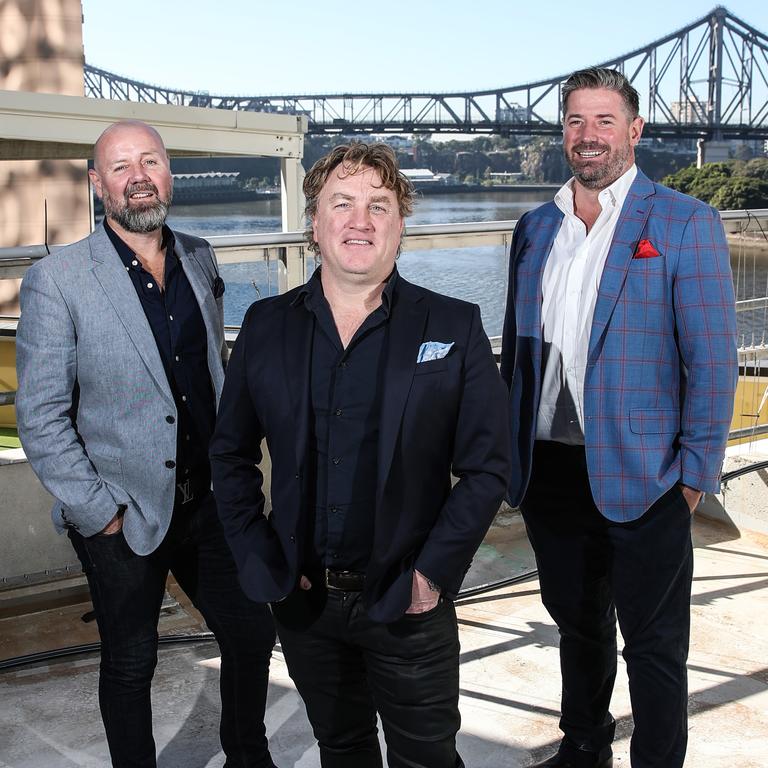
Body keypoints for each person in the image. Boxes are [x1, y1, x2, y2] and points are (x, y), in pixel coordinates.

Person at [210, 141, 511, 768]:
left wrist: (432, 573)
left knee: (427, 759)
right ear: (315, 222)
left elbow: (488, 466)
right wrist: (259, 554)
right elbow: (230, 454)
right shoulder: (265, 325)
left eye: (379, 206)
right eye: (341, 204)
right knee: (341, 750)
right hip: (304, 601)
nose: (360, 220)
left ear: (400, 226)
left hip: (408, 599)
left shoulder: (453, 326)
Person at [15, 120, 278, 768]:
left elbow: (211, 371)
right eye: (122, 165)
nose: (139, 176)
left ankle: (249, 756)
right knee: (132, 662)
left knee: (251, 633)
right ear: (97, 183)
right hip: (122, 507)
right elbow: (40, 415)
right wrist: (97, 510)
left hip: (210, 499)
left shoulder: (199, 255)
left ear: (168, 173)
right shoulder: (60, 280)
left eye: (151, 161)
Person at [500, 67, 738, 768]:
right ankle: (584, 747)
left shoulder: (685, 222)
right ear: (563, 133)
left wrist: (694, 476)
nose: (589, 135)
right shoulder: (534, 227)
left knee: (656, 645)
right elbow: (517, 354)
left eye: (605, 121)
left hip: (649, 475)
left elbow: (713, 360)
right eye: (576, 121)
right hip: (550, 469)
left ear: (634, 131)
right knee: (576, 627)